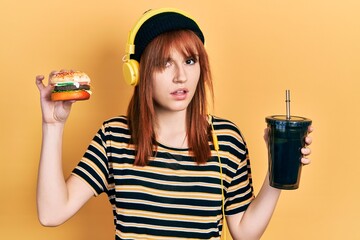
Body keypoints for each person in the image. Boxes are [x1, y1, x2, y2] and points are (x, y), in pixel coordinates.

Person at [35, 7, 314, 240]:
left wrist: (280, 166)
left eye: (190, 61)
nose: (181, 76)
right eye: (165, 64)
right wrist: (52, 125)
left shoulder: (226, 140)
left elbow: (245, 231)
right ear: (138, 72)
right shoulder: (114, 137)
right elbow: (52, 213)